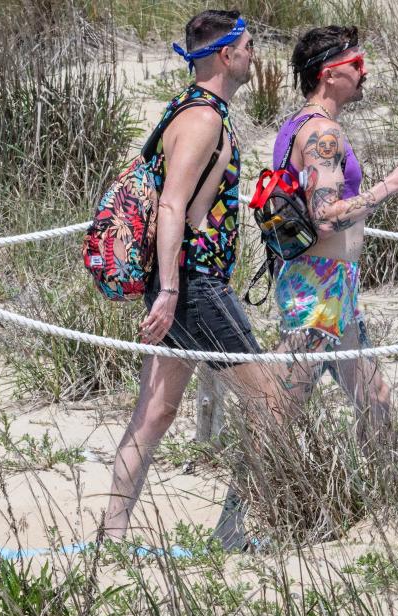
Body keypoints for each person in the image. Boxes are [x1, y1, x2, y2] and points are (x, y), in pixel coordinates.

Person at [103, 10, 280, 549]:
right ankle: (232, 532)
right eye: (249, 45)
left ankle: (111, 539)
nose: (254, 54)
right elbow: (175, 206)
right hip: (195, 285)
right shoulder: (204, 119)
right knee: (271, 402)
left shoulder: (189, 109)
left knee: (155, 412)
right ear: (226, 54)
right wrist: (172, 291)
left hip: (183, 283)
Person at [272, 25, 398, 448]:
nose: (364, 73)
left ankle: (388, 505)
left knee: (376, 400)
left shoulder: (306, 125)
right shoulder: (321, 133)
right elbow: (326, 217)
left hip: (335, 285)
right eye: (357, 64)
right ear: (329, 73)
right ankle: (238, 508)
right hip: (317, 285)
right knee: (278, 413)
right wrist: (394, 183)